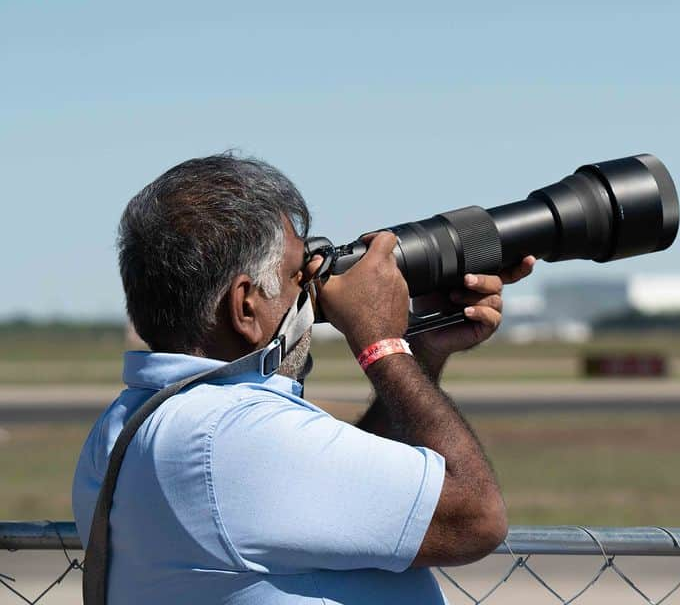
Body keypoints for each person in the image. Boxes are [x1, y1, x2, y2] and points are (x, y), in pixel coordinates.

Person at [71, 153, 535, 604]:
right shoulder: (227, 438)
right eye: (299, 274)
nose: (316, 292)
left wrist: (422, 353)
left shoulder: (133, 423)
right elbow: (475, 517)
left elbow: (347, 495)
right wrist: (380, 342)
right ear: (245, 305)